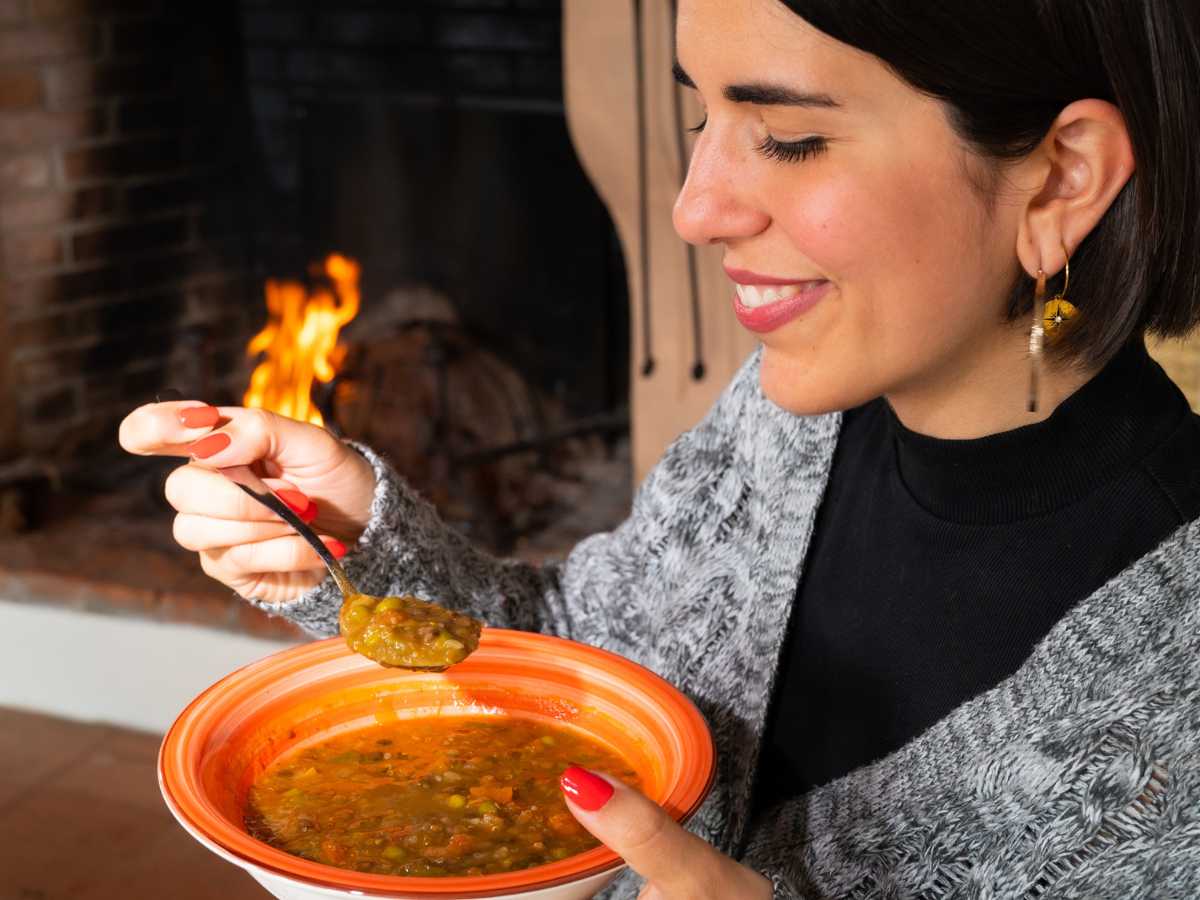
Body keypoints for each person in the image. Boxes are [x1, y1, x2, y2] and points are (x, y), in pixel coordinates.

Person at [120, 1, 1200, 897]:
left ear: (1061, 177)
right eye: (703, 116)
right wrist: (359, 539)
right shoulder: (789, 418)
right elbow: (589, 662)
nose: (694, 208)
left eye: (788, 137)